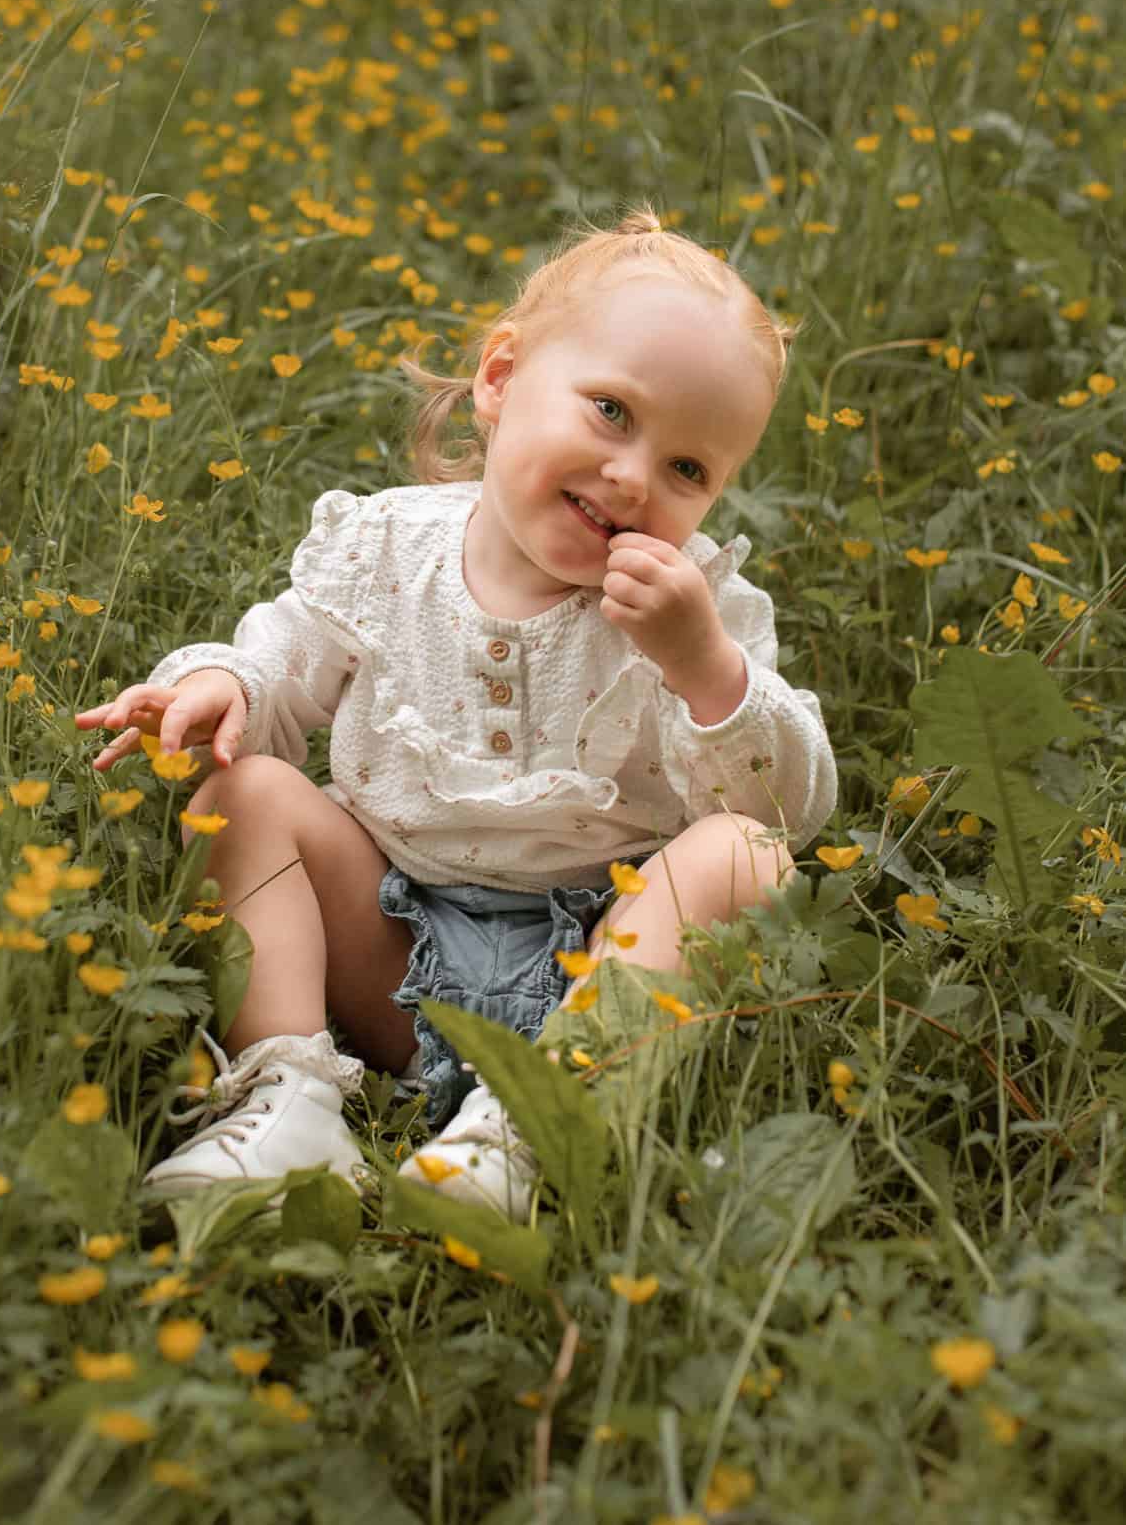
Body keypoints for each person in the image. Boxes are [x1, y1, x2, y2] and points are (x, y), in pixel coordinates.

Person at [75, 207, 837, 1223]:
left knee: (747, 856)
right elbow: (280, 665)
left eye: (688, 470)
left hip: (601, 955)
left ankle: (535, 1122)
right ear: (499, 378)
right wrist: (226, 687)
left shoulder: (696, 608)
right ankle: (290, 1090)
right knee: (244, 790)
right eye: (611, 411)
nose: (631, 477)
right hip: (387, 950)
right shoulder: (388, 547)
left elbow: (788, 808)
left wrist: (703, 665)